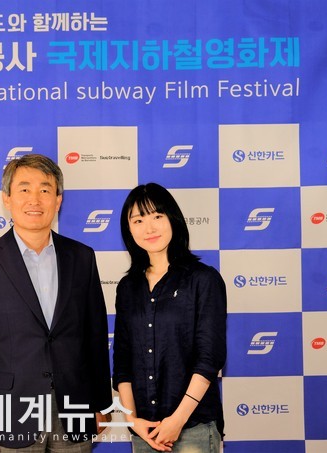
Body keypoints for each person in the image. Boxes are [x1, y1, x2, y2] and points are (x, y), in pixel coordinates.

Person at [0, 154, 112, 453]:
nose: (35, 199)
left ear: (58, 200)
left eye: (45, 189)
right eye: (24, 189)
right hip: (11, 410)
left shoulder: (82, 257)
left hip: (76, 407)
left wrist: (102, 404)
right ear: (7, 198)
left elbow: (94, 336)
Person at [112, 183, 227, 453]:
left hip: (193, 429)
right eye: (138, 220)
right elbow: (122, 361)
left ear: (173, 219)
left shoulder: (203, 279)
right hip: (145, 432)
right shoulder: (128, 287)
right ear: (129, 229)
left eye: (157, 216)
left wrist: (177, 420)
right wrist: (132, 421)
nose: (149, 228)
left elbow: (209, 359)